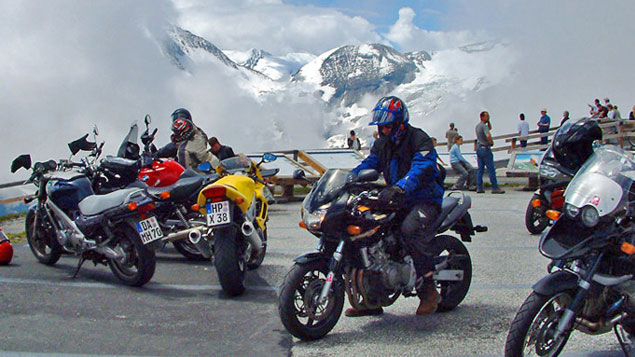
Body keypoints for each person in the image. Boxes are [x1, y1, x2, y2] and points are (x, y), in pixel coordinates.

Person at [347, 96, 444, 317]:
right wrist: (350, 177)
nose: (383, 130)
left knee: (410, 230)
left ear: (401, 122)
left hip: (424, 199)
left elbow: (420, 168)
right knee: (367, 230)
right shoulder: (382, 144)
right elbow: (370, 163)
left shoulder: (420, 139)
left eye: (387, 126)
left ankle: (429, 291)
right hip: (396, 200)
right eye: (381, 127)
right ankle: (372, 297)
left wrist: (401, 187)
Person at [474, 111, 505, 194]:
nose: (488, 118)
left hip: (479, 148)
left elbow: (489, 128)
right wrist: (491, 142)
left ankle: (479, 187)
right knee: (491, 169)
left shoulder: (478, 126)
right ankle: (495, 187)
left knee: (480, 169)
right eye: (487, 116)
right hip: (485, 148)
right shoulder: (484, 126)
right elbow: (488, 134)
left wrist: (488, 122)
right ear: (482, 117)